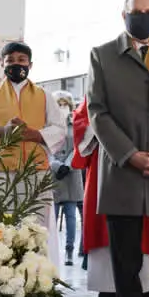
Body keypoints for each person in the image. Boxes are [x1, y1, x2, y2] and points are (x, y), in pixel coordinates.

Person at [87, 0, 149, 297]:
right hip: (121, 172)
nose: (143, 17)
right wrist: (130, 155)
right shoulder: (102, 55)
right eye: (137, 11)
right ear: (123, 14)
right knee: (125, 265)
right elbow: (97, 112)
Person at [0, 41, 65, 263]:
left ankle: (34, 278)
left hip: (35, 176)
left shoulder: (44, 95)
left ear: (30, 64)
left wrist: (34, 134)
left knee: (35, 231)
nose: (16, 65)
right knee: (1, 229)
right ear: (2, 64)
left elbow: (59, 129)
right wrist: (2, 131)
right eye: (10, 61)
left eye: (21, 60)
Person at [71, 99, 149, 297]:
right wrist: (108, 126)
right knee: (110, 281)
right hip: (107, 176)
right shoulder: (98, 90)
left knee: (148, 276)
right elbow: (82, 124)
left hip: (148, 174)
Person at [49, 90, 84, 266]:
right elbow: (45, 148)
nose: (62, 107)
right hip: (54, 176)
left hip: (71, 175)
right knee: (52, 216)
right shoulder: (49, 125)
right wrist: (56, 165)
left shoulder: (75, 124)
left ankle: (70, 251)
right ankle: (51, 251)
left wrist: (68, 165)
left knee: (71, 215)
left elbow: (78, 147)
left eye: (65, 104)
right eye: (59, 104)